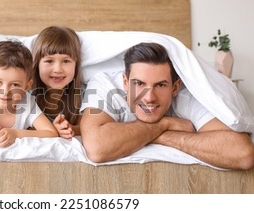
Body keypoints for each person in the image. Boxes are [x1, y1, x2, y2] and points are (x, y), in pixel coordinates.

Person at [80, 42, 254, 170]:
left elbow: (243, 154)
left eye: (161, 85)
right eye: (139, 83)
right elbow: (97, 149)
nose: (149, 98)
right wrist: (163, 125)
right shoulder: (105, 83)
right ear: (125, 82)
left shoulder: (189, 93)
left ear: (175, 87)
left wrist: (160, 136)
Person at [31, 26, 83, 140]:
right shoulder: (27, 94)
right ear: (37, 64)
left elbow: (87, 127)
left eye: (66, 61)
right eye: (49, 61)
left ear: (76, 64)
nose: (58, 69)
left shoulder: (84, 94)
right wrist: (51, 130)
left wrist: (69, 128)